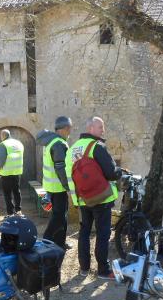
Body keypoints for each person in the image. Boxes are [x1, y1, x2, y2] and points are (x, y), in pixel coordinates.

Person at [65, 116, 121, 280]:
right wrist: (120, 171)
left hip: (82, 199)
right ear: (90, 128)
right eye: (100, 127)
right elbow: (111, 173)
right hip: (101, 199)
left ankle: (84, 268)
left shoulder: (73, 149)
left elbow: (70, 175)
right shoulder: (96, 146)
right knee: (103, 233)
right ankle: (103, 270)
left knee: (84, 232)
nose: (103, 130)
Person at [36, 116, 72, 250]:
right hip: (58, 187)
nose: (70, 132)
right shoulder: (58, 144)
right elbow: (60, 168)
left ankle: (60, 243)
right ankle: (45, 241)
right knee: (58, 217)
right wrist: (67, 186)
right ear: (64, 129)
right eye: (69, 129)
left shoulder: (51, 142)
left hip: (52, 186)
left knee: (61, 216)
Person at [0, 129, 24, 216]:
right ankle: (18, 211)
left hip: (6, 174)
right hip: (17, 172)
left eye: (1, 136)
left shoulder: (2, 145)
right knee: (17, 191)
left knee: (7, 194)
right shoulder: (19, 143)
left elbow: (1, 161)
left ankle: (10, 213)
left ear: (3, 136)